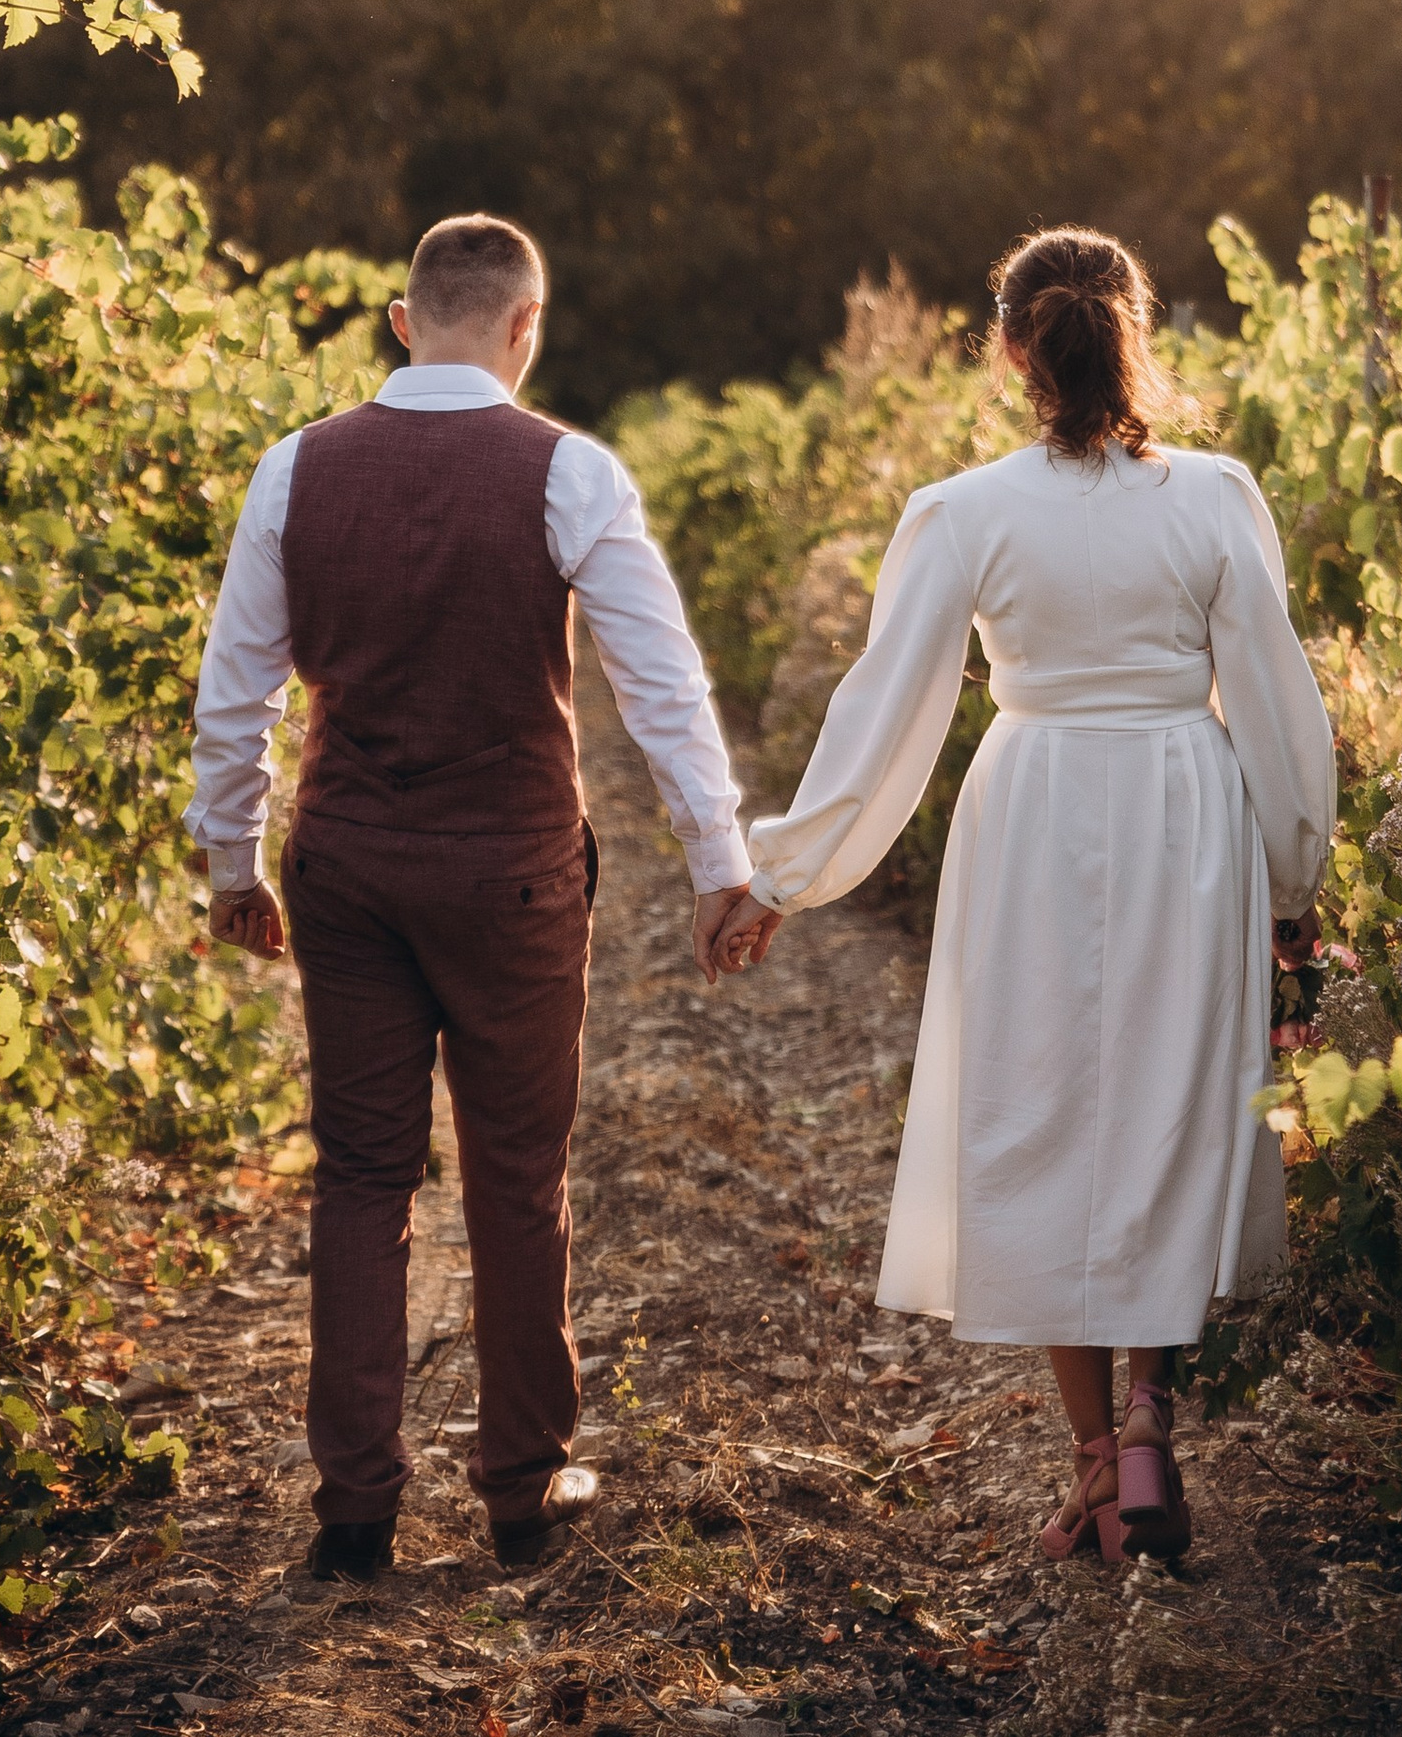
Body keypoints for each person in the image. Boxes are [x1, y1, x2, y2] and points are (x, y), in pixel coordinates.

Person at [721, 226, 1335, 1563]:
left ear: (1009, 350)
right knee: (1169, 1111)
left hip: (1037, 811)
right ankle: (1150, 1431)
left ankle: (1089, 1462)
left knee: (1048, 1109)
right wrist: (1295, 878)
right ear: (1138, 330)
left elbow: (885, 710)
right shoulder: (1219, 496)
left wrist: (784, 874)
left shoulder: (965, 512)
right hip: (1189, 808)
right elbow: (1282, 710)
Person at [189, 214, 767, 1581]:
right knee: (516, 1176)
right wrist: (717, 865)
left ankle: (354, 1505)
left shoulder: (296, 469)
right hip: (511, 873)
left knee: (361, 1176)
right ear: (527, 326)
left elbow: (237, 695)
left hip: (350, 872)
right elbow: (661, 685)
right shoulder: (568, 471)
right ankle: (519, 1489)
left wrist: (231, 861)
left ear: (403, 321)